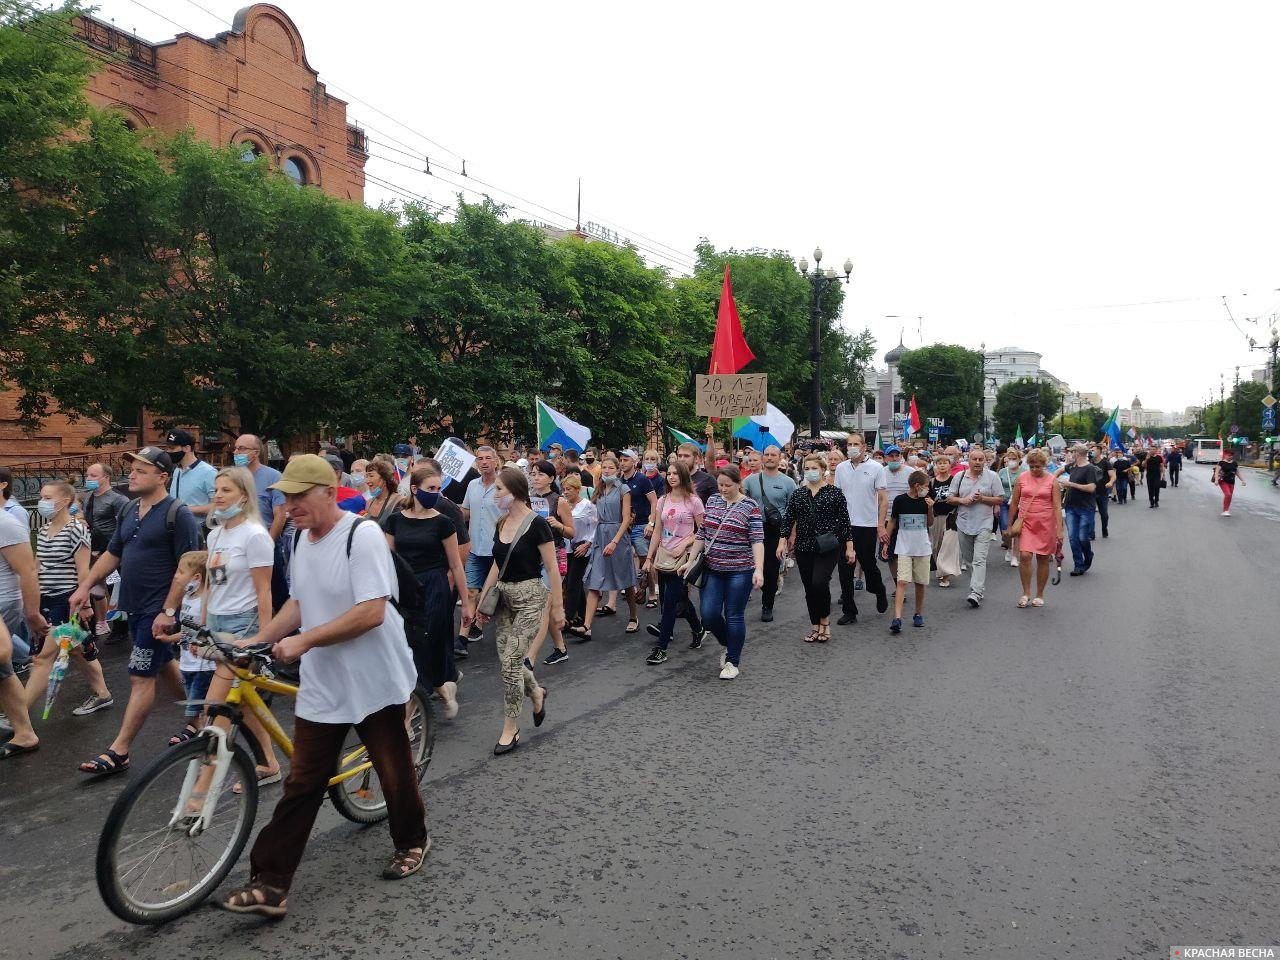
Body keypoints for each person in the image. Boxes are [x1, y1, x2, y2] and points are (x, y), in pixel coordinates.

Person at [216, 455, 427, 916]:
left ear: (329, 492)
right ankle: (270, 884)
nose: (288, 506)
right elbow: (298, 601)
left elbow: (372, 611)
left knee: (392, 768)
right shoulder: (299, 539)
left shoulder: (362, 534)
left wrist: (304, 640)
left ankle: (412, 840)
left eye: (298, 496)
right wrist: (260, 638)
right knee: (303, 780)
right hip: (324, 679)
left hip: (374, 677)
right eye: (284, 497)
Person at [70, 447, 202, 775]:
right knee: (164, 664)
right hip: (135, 606)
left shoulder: (178, 513)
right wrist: (85, 586)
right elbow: (114, 552)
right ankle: (198, 718)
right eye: (132, 468)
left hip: (158, 609)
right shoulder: (129, 508)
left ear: (162, 477)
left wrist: (169, 610)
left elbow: (188, 568)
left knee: (140, 676)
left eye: (142, 470)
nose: (132, 474)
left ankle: (120, 751)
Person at [474, 467, 560, 755]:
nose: (495, 494)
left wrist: (558, 608)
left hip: (531, 597)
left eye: (499, 489)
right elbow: (497, 565)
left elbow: (552, 568)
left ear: (515, 492)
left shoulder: (537, 524)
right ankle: (536, 692)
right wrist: (482, 600)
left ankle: (510, 727)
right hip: (505, 600)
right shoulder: (501, 523)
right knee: (507, 662)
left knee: (511, 664)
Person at [385, 464, 473, 721]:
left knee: (424, 646)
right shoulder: (395, 520)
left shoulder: (443, 522)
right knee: (408, 648)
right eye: (430, 488)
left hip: (434, 589)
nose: (435, 493)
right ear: (414, 489)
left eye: (438, 488)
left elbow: (456, 564)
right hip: (403, 589)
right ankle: (444, 691)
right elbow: (386, 560)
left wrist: (466, 604)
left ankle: (405, 721)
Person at [25, 481, 113, 717]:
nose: (41, 502)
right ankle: (102, 693)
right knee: (75, 650)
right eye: (41, 497)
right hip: (47, 599)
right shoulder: (43, 531)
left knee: (44, 658)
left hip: (67, 600)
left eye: (46, 497)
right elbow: (37, 568)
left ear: (64, 501)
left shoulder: (76, 529)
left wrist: (83, 603)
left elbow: (83, 570)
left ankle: (18, 713)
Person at [682, 466, 764, 680]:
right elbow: (703, 533)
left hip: (741, 569)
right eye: (721, 485)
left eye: (729, 485)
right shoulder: (713, 501)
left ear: (739, 484)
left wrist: (759, 568)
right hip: (713, 567)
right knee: (708, 615)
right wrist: (690, 561)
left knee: (734, 615)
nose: (724, 489)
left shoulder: (750, 506)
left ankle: (732, 661)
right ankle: (731, 642)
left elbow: (757, 540)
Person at [781, 453, 852, 644]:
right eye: (807, 468)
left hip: (827, 546)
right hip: (804, 546)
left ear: (822, 469)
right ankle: (815, 625)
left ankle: (825, 622)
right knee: (809, 587)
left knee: (820, 582)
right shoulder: (798, 493)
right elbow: (788, 519)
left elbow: (845, 522)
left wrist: (850, 548)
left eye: (814, 468)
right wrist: (782, 541)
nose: (811, 472)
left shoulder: (835, 493)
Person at [642, 462, 707, 664]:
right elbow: (657, 532)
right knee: (679, 599)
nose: (671, 477)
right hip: (664, 556)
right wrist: (649, 558)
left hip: (684, 557)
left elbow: (702, 531)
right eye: (669, 474)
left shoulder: (693, 501)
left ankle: (661, 648)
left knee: (669, 603)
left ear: (683, 476)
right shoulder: (663, 500)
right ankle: (698, 629)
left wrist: (686, 543)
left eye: (675, 474)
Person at [0, 507, 49, 760]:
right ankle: (24, 733)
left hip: (3, 604)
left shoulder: (6, 523)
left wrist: (32, 614)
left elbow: (28, 572)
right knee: (3, 670)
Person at [570, 455, 635, 642]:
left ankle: (633, 616)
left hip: (617, 537)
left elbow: (625, 519)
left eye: (611, 468)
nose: (607, 471)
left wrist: (615, 541)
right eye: (604, 468)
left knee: (626, 579)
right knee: (594, 580)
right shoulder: (598, 490)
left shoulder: (624, 489)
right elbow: (591, 515)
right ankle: (587, 627)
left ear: (618, 470)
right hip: (600, 536)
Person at [834, 434, 890, 624]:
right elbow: (838, 497)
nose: (852, 447)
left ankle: (879, 590)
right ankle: (849, 610)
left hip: (866, 525)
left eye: (855, 444)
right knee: (844, 569)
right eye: (849, 444)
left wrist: (880, 525)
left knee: (868, 564)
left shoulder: (876, 468)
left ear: (864, 447)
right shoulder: (841, 468)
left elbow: (883, 500)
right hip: (845, 525)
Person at [525, 461, 574, 666]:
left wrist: (558, 525)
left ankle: (530, 658)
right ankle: (560, 648)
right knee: (548, 606)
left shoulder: (558, 501)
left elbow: (572, 532)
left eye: (541, 475)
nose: (536, 478)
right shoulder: (528, 500)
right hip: (533, 555)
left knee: (543, 605)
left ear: (551, 478)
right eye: (533, 474)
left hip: (555, 555)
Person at [744, 445, 797, 624]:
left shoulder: (788, 482)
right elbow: (741, 502)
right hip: (754, 528)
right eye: (766, 455)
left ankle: (767, 605)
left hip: (777, 531)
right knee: (748, 566)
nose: (769, 458)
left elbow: (794, 511)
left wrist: (792, 535)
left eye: (773, 455)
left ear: (780, 457)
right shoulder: (750, 480)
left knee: (771, 568)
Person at [946, 448, 1004, 608]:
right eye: (974, 459)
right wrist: (963, 501)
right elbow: (950, 498)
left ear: (985, 461)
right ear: (968, 460)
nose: (977, 462)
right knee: (969, 559)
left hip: (984, 523)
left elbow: (999, 499)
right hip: (964, 523)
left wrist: (983, 498)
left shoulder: (992, 477)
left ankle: (976, 592)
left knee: (979, 559)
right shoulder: (959, 476)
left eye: (980, 459)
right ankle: (978, 586)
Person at [1009, 448, 1065, 607]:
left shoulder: (1052, 480)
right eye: (1031, 466)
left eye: (1037, 466)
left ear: (1044, 465)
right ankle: (1026, 592)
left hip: (1046, 523)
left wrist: (1059, 530)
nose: (1034, 469)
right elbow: (1014, 502)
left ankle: (1039, 594)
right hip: (1026, 521)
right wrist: (1009, 524)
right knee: (1025, 556)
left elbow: (1056, 507)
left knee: (1042, 558)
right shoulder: (1022, 478)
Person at [81, 463, 129, 641]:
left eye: (93, 475)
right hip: (93, 549)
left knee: (115, 588)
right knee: (95, 587)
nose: (89, 479)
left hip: (112, 551)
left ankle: (121, 628)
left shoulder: (118, 500)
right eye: (87, 475)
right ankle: (96, 624)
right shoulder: (88, 497)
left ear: (105, 478)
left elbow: (124, 525)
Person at [461, 445, 501, 655]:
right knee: (470, 591)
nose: (484, 462)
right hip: (476, 547)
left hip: (498, 550)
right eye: (479, 459)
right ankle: (463, 637)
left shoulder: (504, 485)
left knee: (497, 595)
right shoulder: (472, 485)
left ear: (495, 461)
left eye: (488, 458)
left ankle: (509, 635)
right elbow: (466, 513)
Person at [887, 470, 934, 633]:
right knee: (902, 581)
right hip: (903, 547)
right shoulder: (900, 500)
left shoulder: (926, 501)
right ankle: (897, 617)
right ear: (917, 485)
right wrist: (886, 541)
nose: (927, 489)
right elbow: (893, 521)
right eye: (926, 486)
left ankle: (918, 613)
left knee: (920, 583)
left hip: (922, 547)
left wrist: (930, 508)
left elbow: (930, 522)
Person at [618, 449, 657, 617]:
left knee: (644, 560)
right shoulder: (618, 481)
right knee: (625, 560)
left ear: (634, 462)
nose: (622, 463)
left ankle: (653, 593)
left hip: (641, 525)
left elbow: (654, 501)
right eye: (621, 460)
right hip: (624, 526)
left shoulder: (642, 479)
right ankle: (632, 590)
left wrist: (651, 522)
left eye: (626, 460)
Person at [562, 473, 596, 633]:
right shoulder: (565, 506)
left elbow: (595, 526)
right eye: (564, 489)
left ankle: (567, 617)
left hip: (582, 546)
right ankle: (583, 613)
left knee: (573, 582)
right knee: (572, 580)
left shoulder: (587, 505)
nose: (566, 492)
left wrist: (588, 544)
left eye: (569, 489)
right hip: (567, 547)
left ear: (577, 489)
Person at [1057, 445, 1098, 576]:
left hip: (1086, 507)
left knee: (1082, 538)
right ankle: (1078, 565)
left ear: (1078, 453)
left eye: (1072, 452)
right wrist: (1054, 481)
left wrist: (1071, 484)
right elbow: (1057, 472)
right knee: (1073, 537)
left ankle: (1088, 554)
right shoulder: (1071, 466)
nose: (1070, 454)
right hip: (1070, 506)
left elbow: (1091, 488)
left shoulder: (1090, 468)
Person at [166, 428, 219, 522]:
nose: (168, 451)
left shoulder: (209, 472)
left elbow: (217, 506)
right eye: (168, 448)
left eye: (172, 448)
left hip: (198, 530)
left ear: (187, 448)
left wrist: (185, 510)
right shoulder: (177, 470)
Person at [928, 452, 958, 586]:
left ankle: (945, 574)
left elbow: (958, 495)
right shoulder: (932, 481)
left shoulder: (954, 480)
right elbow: (927, 497)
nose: (942, 465)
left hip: (950, 515)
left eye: (945, 463)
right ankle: (940, 568)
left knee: (947, 545)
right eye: (939, 463)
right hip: (936, 516)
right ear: (935, 465)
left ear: (949, 465)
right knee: (936, 545)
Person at [998, 449, 1026, 565]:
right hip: (1004, 502)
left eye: (1014, 459)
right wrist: (996, 504)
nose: (1011, 461)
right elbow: (997, 488)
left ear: (1019, 460)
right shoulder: (1002, 472)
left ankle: (1015, 556)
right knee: (1006, 529)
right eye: (1009, 459)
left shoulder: (1024, 472)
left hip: (1019, 503)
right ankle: (1009, 547)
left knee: (1017, 531)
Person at [363, 459, 399, 524]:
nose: (367, 481)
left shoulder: (398, 501)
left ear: (384, 478)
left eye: (371, 476)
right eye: (366, 476)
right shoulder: (369, 503)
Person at [1213, 447, 1245, 516]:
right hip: (1223, 481)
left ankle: (1226, 510)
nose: (1230, 457)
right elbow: (1217, 472)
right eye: (1229, 455)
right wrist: (1216, 480)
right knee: (1228, 494)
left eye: (1231, 455)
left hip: (1231, 482)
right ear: (1225, 455)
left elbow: (1238, 472)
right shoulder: (1221, 463)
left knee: (1229, 496)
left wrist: (1243, 480)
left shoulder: (1234, 463)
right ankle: (1225, 510)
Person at [1093, 448, 1115, 537]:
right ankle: (1091, 533)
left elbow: (1113, 475)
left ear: (1099, 452)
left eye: (1094, 450)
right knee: (1090, 513)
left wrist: (1110, 482)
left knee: (1104, 514)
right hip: (1090, 492)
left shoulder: (1106, 463)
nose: (1092, 451)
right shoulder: (1088, 463)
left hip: (1102, 491)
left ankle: (1104, 528)